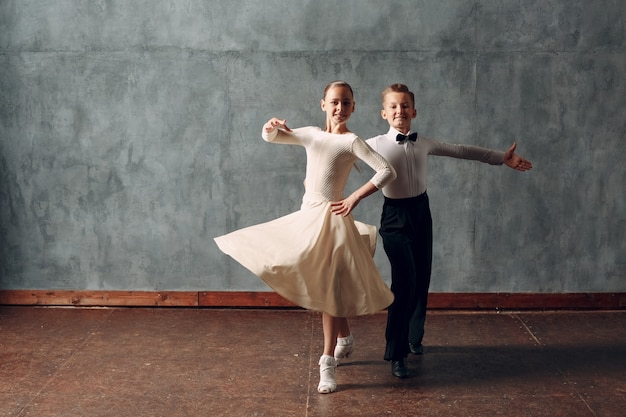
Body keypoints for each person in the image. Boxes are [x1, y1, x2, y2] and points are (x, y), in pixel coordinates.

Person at [214, 81, 397, 393]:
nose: (341, 108)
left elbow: (386, 171)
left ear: (353, 107)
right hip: (307, 218)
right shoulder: (312, 133)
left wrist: (353, 198)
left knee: (328, 286)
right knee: (311, 275)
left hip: (333, 220)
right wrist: (270, 126)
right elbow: (275, 137)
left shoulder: (352, 141)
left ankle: (327, 362)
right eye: (335, 102)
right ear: (323, 104)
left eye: (347, 103)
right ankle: (345, 337)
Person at [365, 83, 533, 378]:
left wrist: (500, 158)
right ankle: (397, 353)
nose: (399, 111)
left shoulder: (424, 143)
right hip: (394, 217)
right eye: (393, 106)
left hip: (421, 212)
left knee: (421, 276)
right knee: (404, 282)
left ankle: (414, 336)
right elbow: (340, 154)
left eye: (405, 106)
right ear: (383, 113)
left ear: (414, 111)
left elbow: (462, 150)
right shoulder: (374, 144)